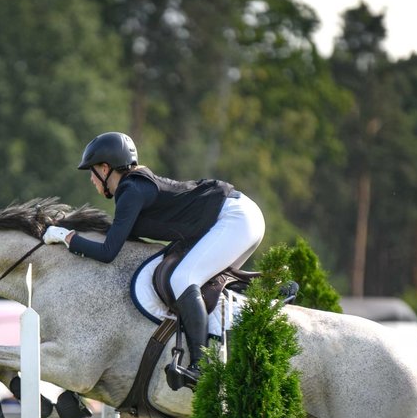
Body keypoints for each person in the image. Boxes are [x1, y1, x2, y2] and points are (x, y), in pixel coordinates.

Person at [42, 131, 265, 388]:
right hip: (240, 216)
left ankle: (200, 366)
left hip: (235, 218)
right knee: (208, 287)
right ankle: (267, 296)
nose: (92, 179)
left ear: (106, 168)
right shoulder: (133, 189)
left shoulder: (131, 190)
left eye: (93, 172)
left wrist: (67, 238)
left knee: (183, 278)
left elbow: (107, 253)